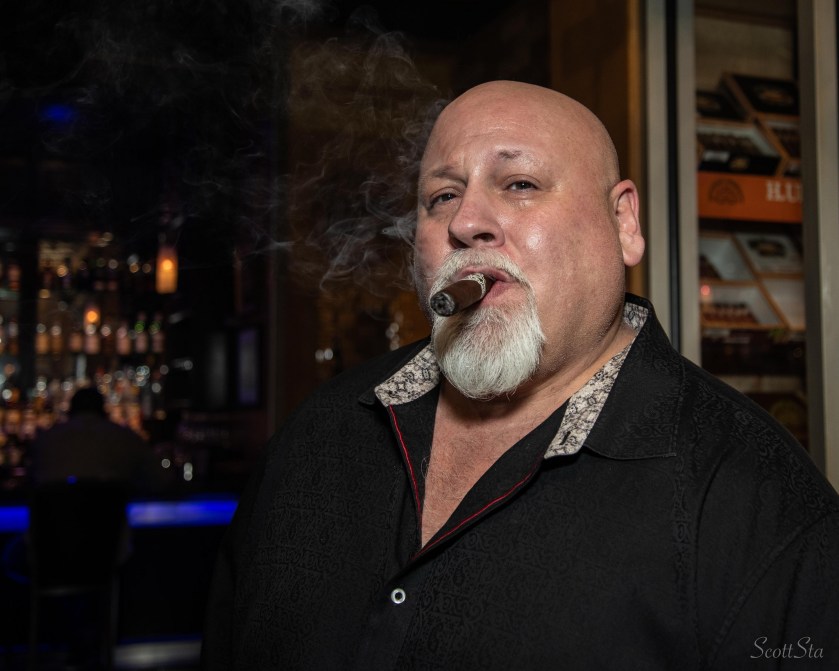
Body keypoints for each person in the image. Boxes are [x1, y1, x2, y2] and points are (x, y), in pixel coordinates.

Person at [201, 81, 839, 669]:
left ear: (623, 224)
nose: (465, 222)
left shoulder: (762, 505)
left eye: (520, 184)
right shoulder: (316, 434)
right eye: (442, 196)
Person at [29, 386, 160, 492]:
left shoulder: (46, 439)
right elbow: (158, 479)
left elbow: (31, 480)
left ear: (70, 411)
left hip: (56, 515)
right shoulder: (126, 438)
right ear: (104, 411)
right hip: (109, 516)